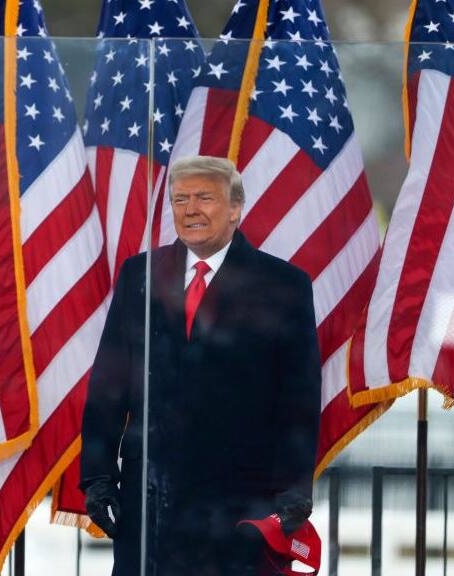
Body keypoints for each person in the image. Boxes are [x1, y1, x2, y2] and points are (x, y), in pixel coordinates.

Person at [80, 156, 322, 575]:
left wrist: (294, 491)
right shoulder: (140, 275)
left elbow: (298, 399)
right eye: (180, 199)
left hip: (240, 504)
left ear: (235, 208)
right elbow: (108, 385)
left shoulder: (283, 285)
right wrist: (98, 478)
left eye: (205, 198)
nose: (190, 209)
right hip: (149, 504)